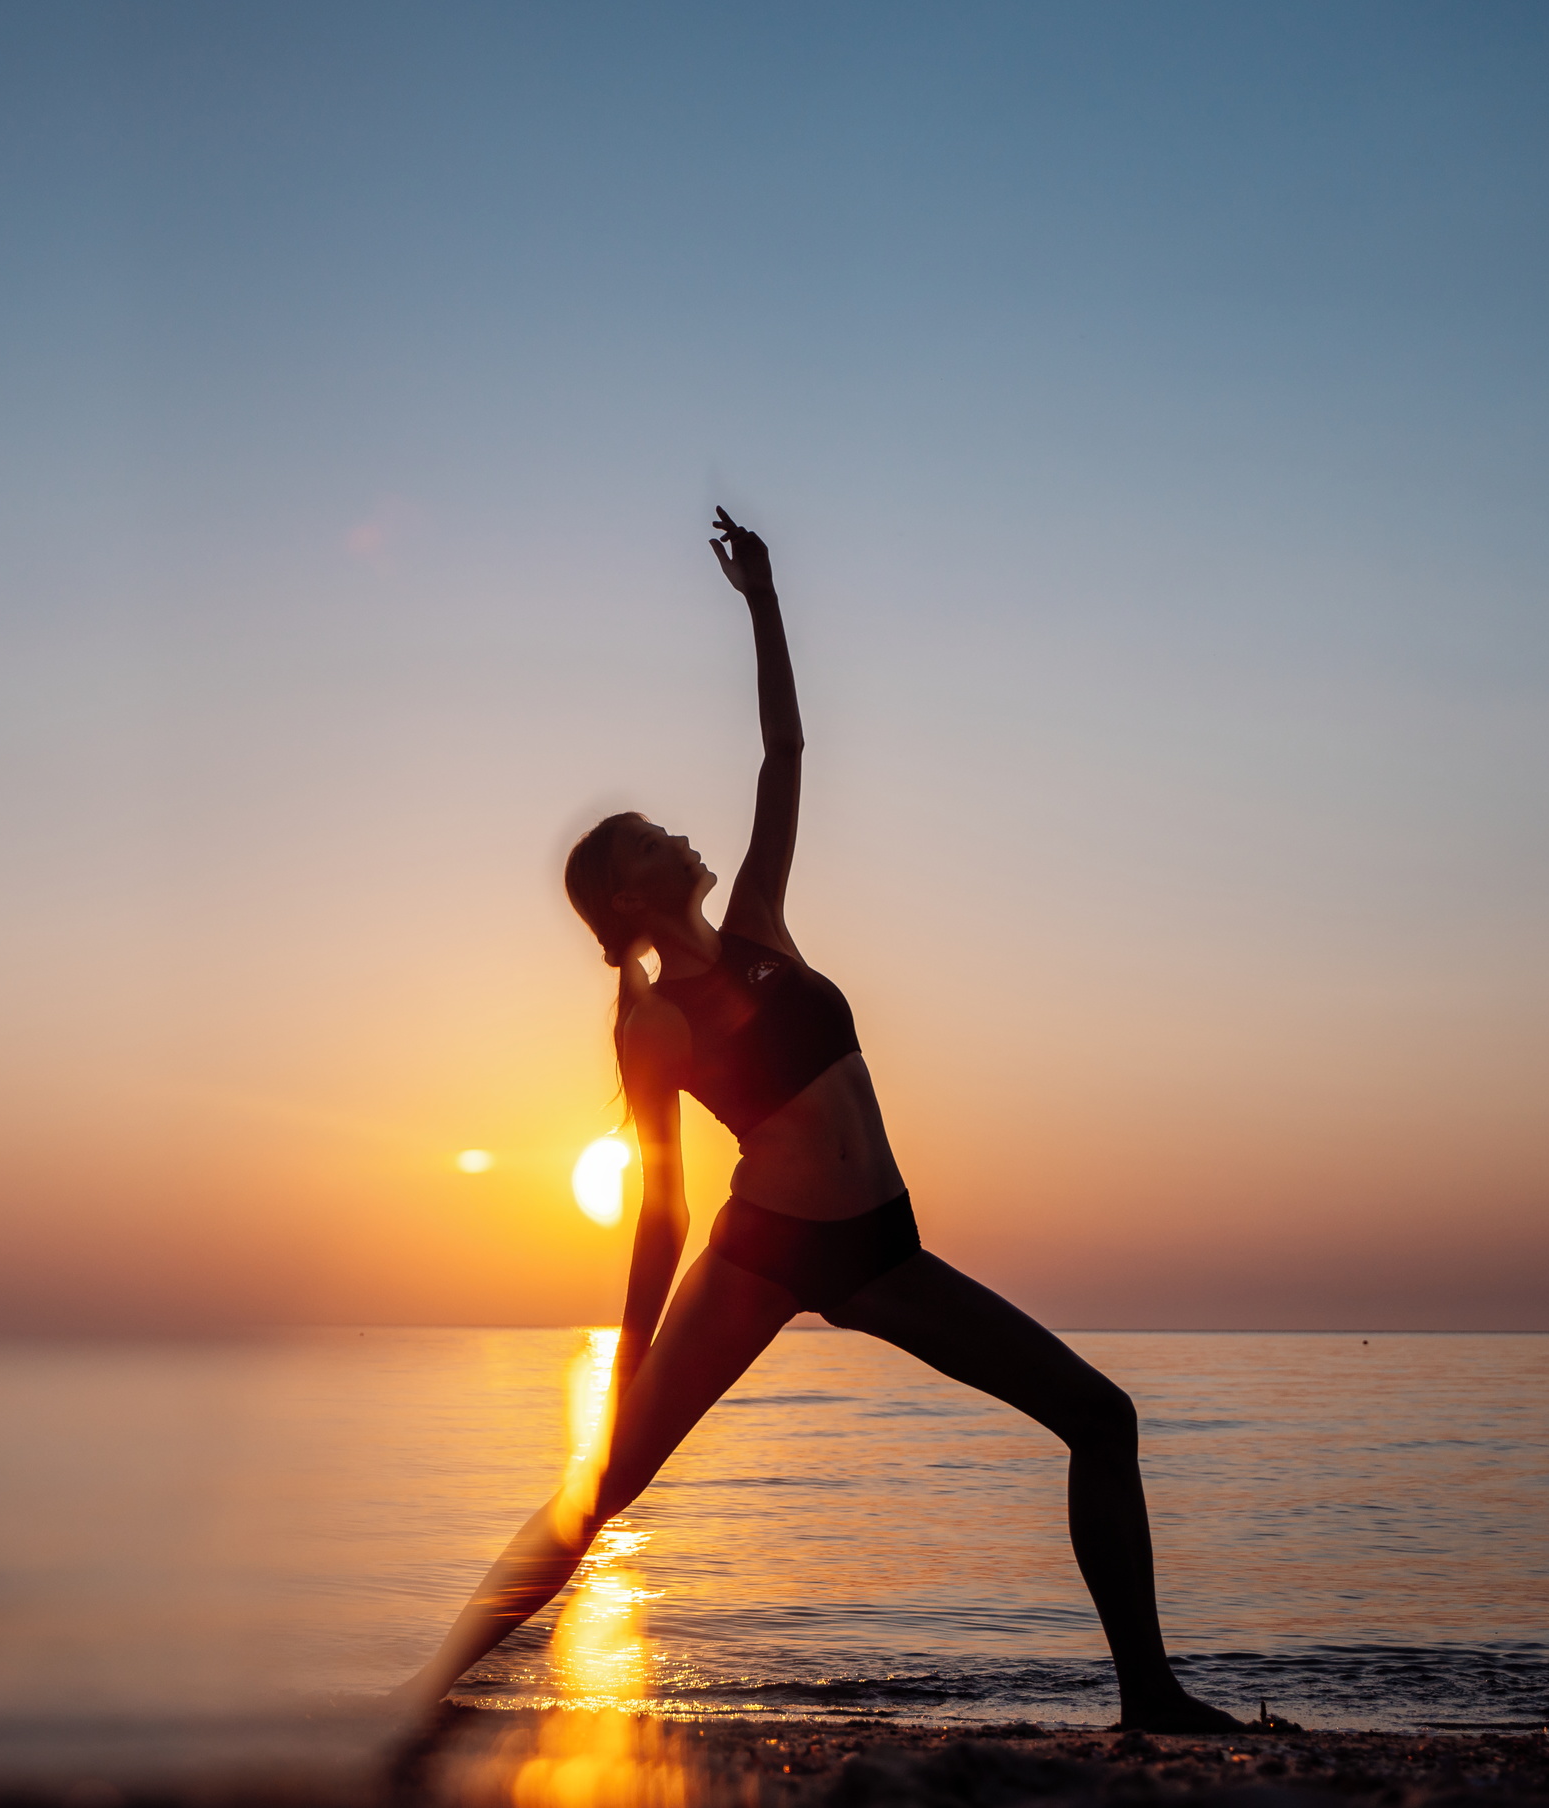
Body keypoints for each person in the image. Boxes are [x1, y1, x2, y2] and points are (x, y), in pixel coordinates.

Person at [391, 512, 1255, 1733]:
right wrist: (630, 1358)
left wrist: (762, 600)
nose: (678, 832)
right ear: (630, 892)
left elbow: (784, 751)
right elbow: (664, 1205)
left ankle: (1150, 1698)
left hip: (882, 1249)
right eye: (651, 837)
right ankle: (417, 1705)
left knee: (1099, 1418)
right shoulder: (655, 1023)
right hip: (760, 1253)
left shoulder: (757, 927)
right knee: (597, 1498)